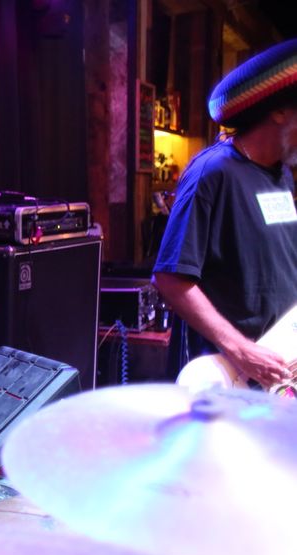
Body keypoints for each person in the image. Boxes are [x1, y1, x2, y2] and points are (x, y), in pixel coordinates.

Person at [153, 38, 297, 389]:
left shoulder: (282, 174)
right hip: (228, 376)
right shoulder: (212, 172)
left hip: (277, 373)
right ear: (279, 111)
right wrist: (242, 350)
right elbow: (170, 279)